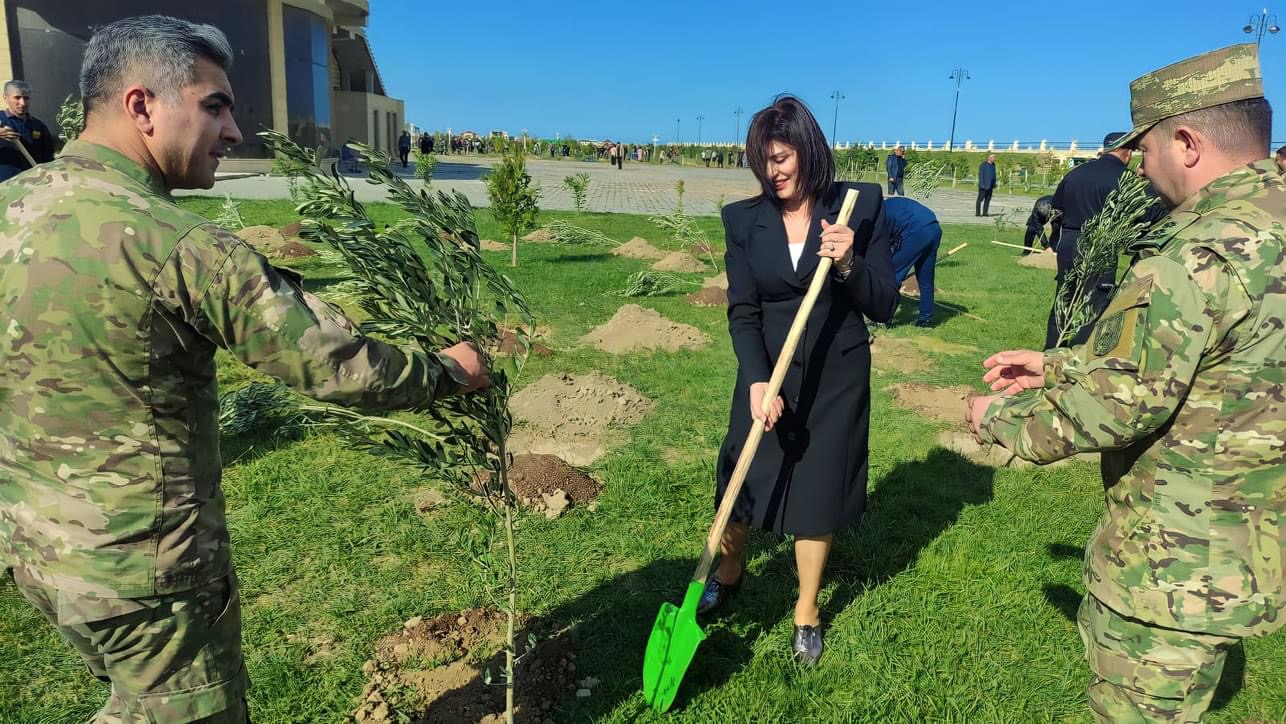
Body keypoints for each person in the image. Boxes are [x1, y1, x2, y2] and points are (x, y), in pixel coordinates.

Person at [0, 16, 491, 722]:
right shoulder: (176, 243)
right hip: (145, 571)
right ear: (141, 105)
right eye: (214, 105)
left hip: (36, 553)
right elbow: (332, 364)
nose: (233, 131)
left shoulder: (12, 206)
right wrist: (447, 370)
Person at [967, 43, 1284, 724]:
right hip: (1245, 556)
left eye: (1146, 149)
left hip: (1168, 572)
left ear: (1188, 142)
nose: (1139, 165)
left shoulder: (1200, 248)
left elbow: (1120, 403)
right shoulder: (1273, 225)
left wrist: (996, 419)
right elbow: (1219, 368)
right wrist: (1055, 364)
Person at [705, 94, 898, 665]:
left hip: (835, 374)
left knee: (815, 492)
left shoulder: (857, 207)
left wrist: (849, 264)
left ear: (808, 151)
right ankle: (730, 569)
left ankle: (807, 611)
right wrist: (758, 381)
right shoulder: (743, 220)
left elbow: (884, 303)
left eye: (783, 157)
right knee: (742, 477)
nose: (773, 171)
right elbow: (743, 310)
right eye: (763, 160)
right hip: (767, 370)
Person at [1044, 131, 1139, 349]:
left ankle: (1052, 349)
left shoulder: (1076, 173)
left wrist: (1054, 241)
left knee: (1064, 298)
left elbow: (1056, 209)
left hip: (1069, 241)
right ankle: (1080, 354)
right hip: (1100, 244)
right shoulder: (1125, 179)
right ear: (1128, 153)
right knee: (1094, 301)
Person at [883, 196, 942, 326]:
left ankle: (883, 318)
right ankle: (925, 319)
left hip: (916, 230)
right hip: (934, 228)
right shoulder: (889, 205)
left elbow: (883, 246)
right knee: (926, 279)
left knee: (892, 276)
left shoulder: (878, 214)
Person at [0, 80, 56, 181]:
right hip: (4, 186)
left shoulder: (38, 126)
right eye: (17, 97)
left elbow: (48, 158)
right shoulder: (1, 121)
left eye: (26, 98)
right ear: (5, 97)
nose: (22, 103)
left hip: (31, 185)